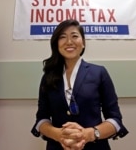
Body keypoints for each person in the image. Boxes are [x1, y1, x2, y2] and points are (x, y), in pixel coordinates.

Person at [31, 19, 128, 150]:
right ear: (56, 44)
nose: (69, 41)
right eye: (63, 37)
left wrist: (88, 134)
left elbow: (115, 120)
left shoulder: (99, 73)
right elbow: (41, 120)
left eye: (75, 36)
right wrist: (58, 135)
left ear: (83, 43)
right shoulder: (48, 77)